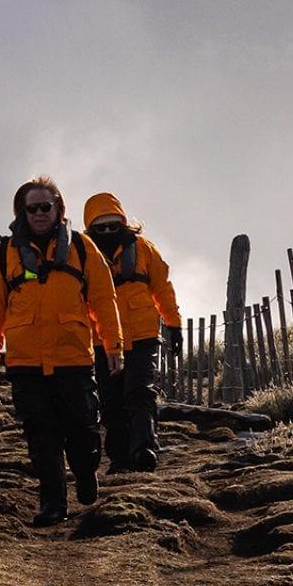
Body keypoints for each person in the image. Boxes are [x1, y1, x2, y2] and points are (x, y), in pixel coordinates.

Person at [0, 176, 125, 526]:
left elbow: (104, 300)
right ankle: (53, 505)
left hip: (73, 358)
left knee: (83, 430)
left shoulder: (82, 247)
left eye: (46, 206)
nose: (40, 213)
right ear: (22, 212)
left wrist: (113, 345)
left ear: (59, 208)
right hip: (25, 362)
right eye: (32, 208)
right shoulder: (4, 254)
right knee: (41, 435)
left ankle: (86, 472)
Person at [84, 192, 181, 474]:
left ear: (124, 223)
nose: (107, 232)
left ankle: (144, 450)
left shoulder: (144, 249)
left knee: (140, 392)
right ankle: (120, 459)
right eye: (100, 228)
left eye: (113, 226)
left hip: (142, 336)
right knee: (110, 401)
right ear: (90, 229)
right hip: (101, 340)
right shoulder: (82, 255)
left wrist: (174, 324)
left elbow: (163, 288)